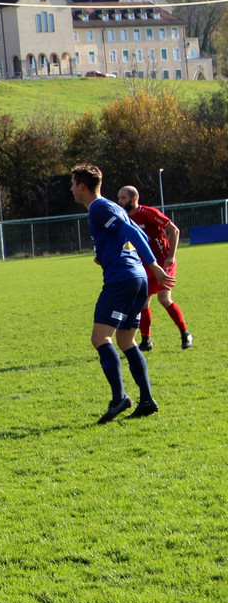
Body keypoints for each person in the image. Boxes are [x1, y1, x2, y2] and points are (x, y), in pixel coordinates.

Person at [71, 164, 174, 424]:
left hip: (122, 280)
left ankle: (119, 398)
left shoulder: (98, 207)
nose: (71, 189)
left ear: (82, 186)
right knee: (127, 341)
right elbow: (138, 233)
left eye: (72, 184)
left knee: (100, 337)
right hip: (136, 278)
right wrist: (107, 254)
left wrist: (155, 266)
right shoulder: (113, 207)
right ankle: (147, 400)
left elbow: (130, 232)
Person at [117, 186, 193, 351]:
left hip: (164, 263)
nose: (120, 201)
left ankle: (185, 333)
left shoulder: (148, 213)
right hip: (146, 266)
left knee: (164, 299)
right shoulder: (123, 218)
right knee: (143, 304)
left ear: (134, 199)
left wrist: (171, 256)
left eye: (123, 198)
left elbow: (174, 230)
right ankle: (146, 340)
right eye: (119, 198)